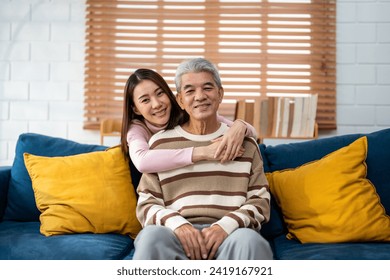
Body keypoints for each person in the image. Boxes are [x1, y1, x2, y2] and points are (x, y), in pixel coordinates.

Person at [132, 58, 273, 260]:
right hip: (175, 234)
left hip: (231, 235)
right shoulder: (159, 144)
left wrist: (225, 226)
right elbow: (147, 204)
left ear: (220, 94)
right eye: (190, 91)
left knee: (251, 242)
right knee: (151, 237)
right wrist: (178, 225)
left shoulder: (245, 143)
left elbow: (260, 201)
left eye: (207, 88)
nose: (200, 97)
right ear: (180, 100)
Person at [120, 68, 258, 173]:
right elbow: (142, 162)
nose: (156, 104)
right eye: (145, 100)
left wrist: (240, 125)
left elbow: (253, 133)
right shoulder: (136, 129)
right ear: (136, 109)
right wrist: (205, 152)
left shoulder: (186, 113)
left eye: (160, 93)